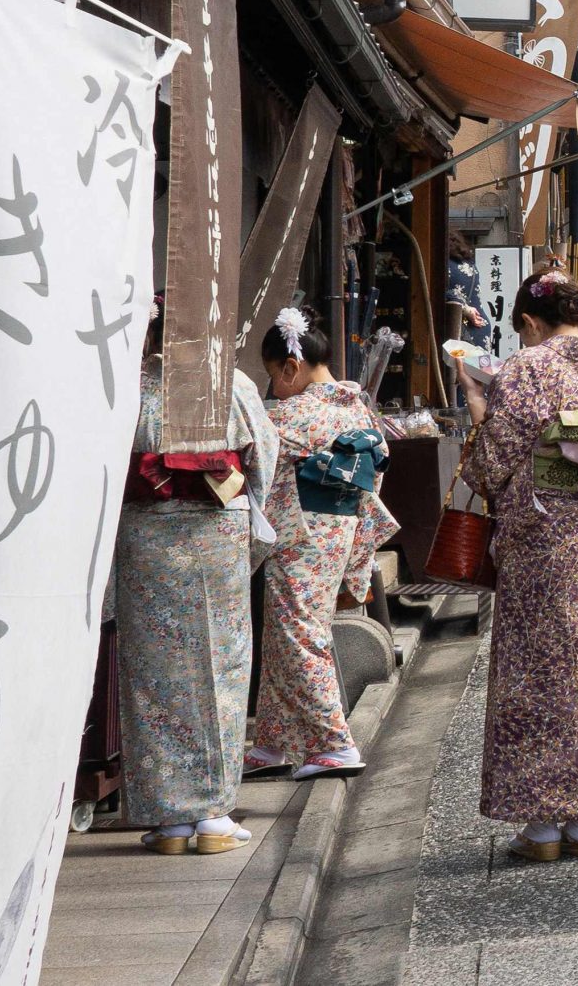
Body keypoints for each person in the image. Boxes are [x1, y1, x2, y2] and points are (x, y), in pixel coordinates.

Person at [457, 270, 578, 863]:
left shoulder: (529, 368)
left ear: (532, 323)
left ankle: (542, 827)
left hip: (540, 540)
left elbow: (493, 463)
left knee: (533, 673)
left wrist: (477, 413)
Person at [117, 339, 279, 853]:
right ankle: (212, 817)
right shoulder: (230, 383)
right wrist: (245, 512)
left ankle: (170, 823)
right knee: (221, 665)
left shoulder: (129, 386)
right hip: (216, 528)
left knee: (154, 670)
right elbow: (264, 455)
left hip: (145, 533)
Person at [247, 308, 397, 783]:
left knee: (298, 633)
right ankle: (272, 740)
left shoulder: (295, 414)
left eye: (274, 376)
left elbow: (250, 446)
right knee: (285, 629)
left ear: (291, 367)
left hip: (304, 535)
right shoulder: (354, 403)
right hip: (338, 530)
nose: (273, 388)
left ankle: (335, 743)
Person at [447, 233, 492, 349]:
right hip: (480, 326)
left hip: (459, 328)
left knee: (458, 366)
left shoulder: (443, 266)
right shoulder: (469, 263)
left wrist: (465, 308)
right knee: (481, 366)